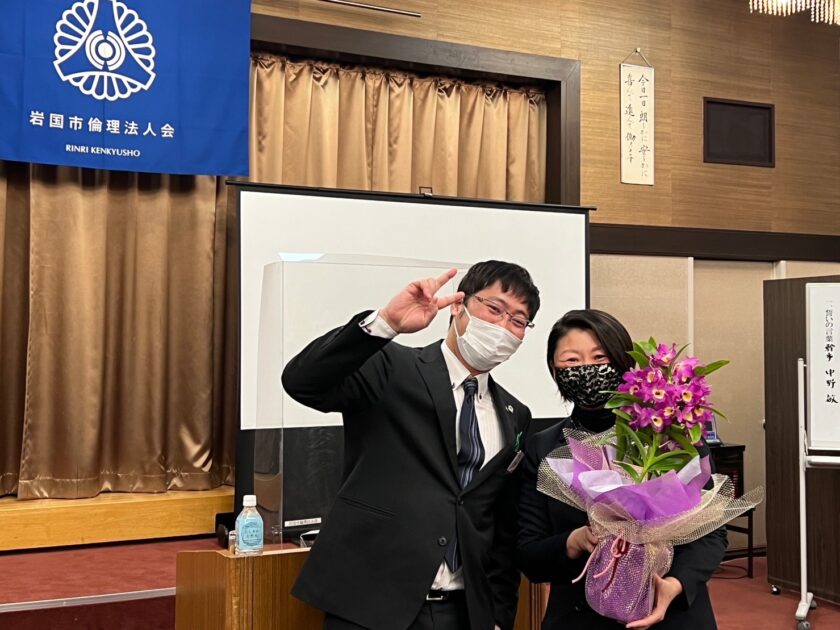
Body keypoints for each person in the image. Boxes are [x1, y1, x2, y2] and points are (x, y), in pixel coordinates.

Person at [283, 261, 541, 630]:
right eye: (494, 309)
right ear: (459, 305)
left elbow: (499, 521)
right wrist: (386, 323)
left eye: (518, 321)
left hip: (463, 611)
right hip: (370, 604)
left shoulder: (516, 413)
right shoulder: (391, 366)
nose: (503, 327)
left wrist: (498, 615)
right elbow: (302, 382)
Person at [517, 309, 728, 630]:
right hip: (580, 619)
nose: (587, 369)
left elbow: (711, 532)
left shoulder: (670, 436)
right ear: (554, 370)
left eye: (600, 357)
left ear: (624, 363)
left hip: (673, 615)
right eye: (572, 360)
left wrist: (676, 584)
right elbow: (529, 555)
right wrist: (574, 541)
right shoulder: (544, 448)